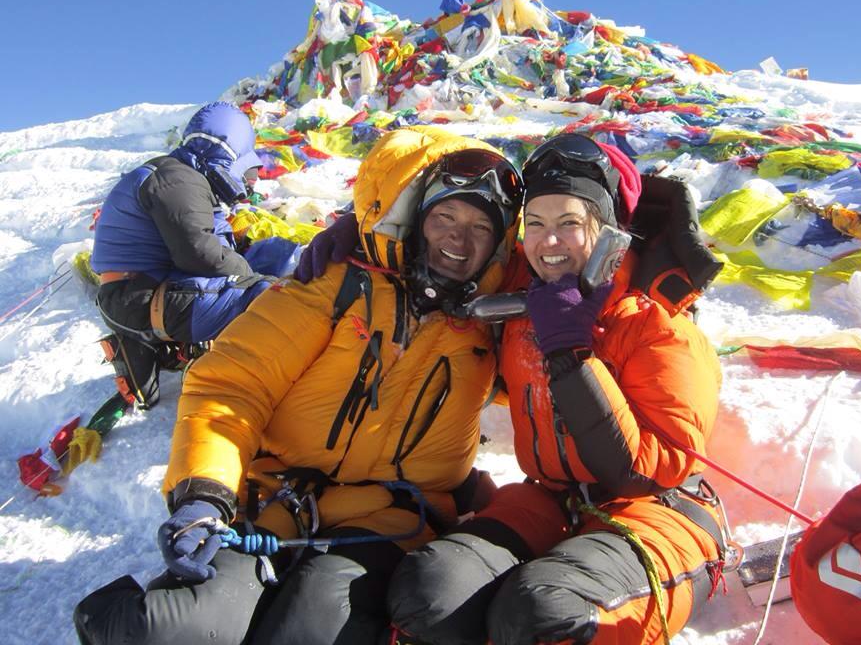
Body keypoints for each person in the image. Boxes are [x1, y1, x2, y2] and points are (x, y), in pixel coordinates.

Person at [74, 126, 523, 645]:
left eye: (480, 228)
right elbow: (232, 386)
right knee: (165, 629)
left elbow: (571, 264)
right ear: (416, 218)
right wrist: (206, 493)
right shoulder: (335, 283)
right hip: (276, 499)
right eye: (445, 216)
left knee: (309, 625)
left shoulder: (495, 322)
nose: (459, 239)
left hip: (389, 517)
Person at [385, 133, 727, 644]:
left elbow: (644, 472)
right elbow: (454, 247)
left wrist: (570, 352)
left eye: (570, 224)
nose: (548, 243)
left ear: (610, 233)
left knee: (542, 614)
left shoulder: (658, 330)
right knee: (430, 595)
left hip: (656, 508)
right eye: (536, 224)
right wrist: (360, 234)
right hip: (552, 500)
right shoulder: (525, 304)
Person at [90, 101, 295, 408]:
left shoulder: (177, 175)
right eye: (245, 167)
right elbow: (198, 252)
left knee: (270, 254)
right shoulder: (177, 179)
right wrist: (252, 278)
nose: (249, 178)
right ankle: (227, 375)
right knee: (270, 295)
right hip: (141, 298)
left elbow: (200, 244)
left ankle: (146, 346)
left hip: (135, 294)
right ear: (226, 154)